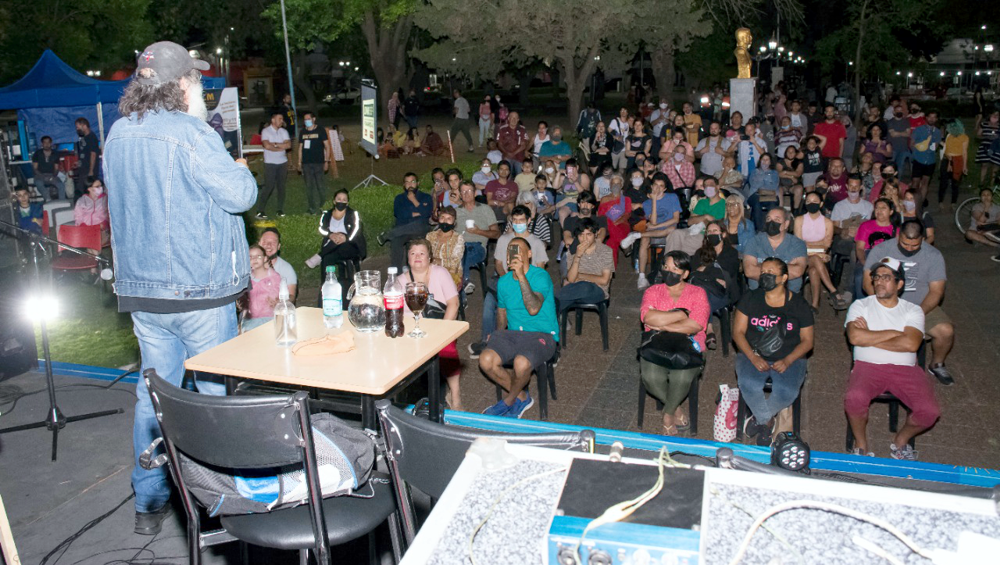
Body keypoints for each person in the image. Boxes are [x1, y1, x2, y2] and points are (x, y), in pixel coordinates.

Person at [104, 41, 257, 535]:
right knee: (212, 398)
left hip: (144, 297)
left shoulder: (118, 134)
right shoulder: (193, 133)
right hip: (199, 292)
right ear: (183, 84)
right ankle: (223, 503)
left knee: (154, 397)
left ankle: (148, 503)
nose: (202, 89)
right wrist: (240, 169)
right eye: (197, 81)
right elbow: (239, 196)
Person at [845, 257, 939, 460]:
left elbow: (911, 344)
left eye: (886, 277)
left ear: (900, 284)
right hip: (868, 366)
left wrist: (870, 336)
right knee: (854, 399)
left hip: (905, 369)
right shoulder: (860, 306)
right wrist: (896, 333)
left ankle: (901, 441)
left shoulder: (913, 310)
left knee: (929, 411)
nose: (879, 281)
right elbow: (855, 337)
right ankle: (860, 444)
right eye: (877, 277)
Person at [733, 257, 814, 446]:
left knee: (786, 391)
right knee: (749, 383)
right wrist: (753, 357)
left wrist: (788, 359)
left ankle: (758, 419)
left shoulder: (799, 305)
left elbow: (808, 341)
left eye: (771, 273)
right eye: (763, 273)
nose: (764, 276)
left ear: (784, 278)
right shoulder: (751, 298)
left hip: (789, 356)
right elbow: (737, 333)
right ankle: (767, 422)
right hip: (753, 353)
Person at [863, 220, 954, 385]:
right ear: (899, 235)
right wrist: (882, 306)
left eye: (915, 245)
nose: (909, 249)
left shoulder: (933, 255)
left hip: (920, 305)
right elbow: (867, 282)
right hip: (886, 304)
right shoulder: (882, 250)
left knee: (946, 331)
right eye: (905, 244)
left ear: (923, 239)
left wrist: (917, 313)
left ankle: (937, 364)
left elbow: (936, 291)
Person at [479, 237, 559, 418]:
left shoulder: (540, 276)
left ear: (529, 254)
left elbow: (533, 308)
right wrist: (497, 335)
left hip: (543, 335)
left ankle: (508, 401)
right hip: (514, 334)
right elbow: (501, 313)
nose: (512, 254)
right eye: (510, 251)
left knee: (520, 363)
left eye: (518, 250)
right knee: (485, 360)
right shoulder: (504, 281)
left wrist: (522, 276)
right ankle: (522, 397)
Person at [639, 251, 710, 434]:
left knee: (682, 377)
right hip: (657, 345)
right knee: (651, 378)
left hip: (690, 346)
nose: (668, 272)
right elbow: (647, 317)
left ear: (685, 274)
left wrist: (662, 324)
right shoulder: (653, 291)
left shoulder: (698, 293)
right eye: (666, 267)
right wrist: (680, 315)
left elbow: (695, 325)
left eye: (675, 269)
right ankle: (676, 408)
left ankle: (668, 413)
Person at [399, 239, 464, 410]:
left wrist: (442, 332)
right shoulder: (399, 281)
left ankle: (455, 395)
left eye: (422, 253)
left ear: (430, 258)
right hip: (412, 329)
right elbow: (396, 312)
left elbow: (453, 304)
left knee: (447, 349)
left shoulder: (440, 273)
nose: (417, 256)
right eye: (413, 253)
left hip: (441, 324)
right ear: (408, 258)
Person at [623, 174, 682, 290]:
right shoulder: (647, 203)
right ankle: (641, 276)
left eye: (661, 186)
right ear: (651, 186)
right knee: (644, 241)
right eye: (655, 185)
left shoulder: (672, 197)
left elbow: (676, 219)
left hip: (669, 229)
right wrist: (654, 200)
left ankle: (637, 235)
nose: (658, 188)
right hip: (653, 230)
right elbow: (653, 222)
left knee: (672, 229)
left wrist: (658, 225)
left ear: (665, 188)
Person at [689, 220, 740, 348]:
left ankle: (705, 330)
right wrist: (715, 273)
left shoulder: (731, 253)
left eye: (715, 231)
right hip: (704, 291)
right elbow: (694, 274)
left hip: (723, 294)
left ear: (723, 234)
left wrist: (706, 269)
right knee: (702, 292)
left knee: (701, 293)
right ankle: (709, 329)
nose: (711, 234)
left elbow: (727, 276)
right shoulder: (700, 253)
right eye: (709, 231)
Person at [795, 192, 848, 310]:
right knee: (816, 258)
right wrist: (818, 248)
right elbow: (799, 244)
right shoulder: (799, 220)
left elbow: (827, 245)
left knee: (814, 270)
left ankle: (814, 305)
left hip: (818, 260)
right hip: (802, 258)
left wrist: (808, 245)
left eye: (814, 201)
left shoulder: (827, 222)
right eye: (808, 201)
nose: (811, 204)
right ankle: (833, 291)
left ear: (821, 203)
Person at [308, 189, 366, 287]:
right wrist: (330, 235)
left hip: (350, 246)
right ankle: (325, 287)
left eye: (344, 200)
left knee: (340, 238)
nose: (341, 202)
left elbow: (357, 230)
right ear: (334, 201)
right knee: (327, 259)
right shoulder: (326, 214)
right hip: (332, 248)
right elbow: (321, 229)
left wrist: (345, 238)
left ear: (347, 203)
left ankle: (320, 255)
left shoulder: (352, 214)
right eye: (339, 199)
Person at [742, 208, 807, 293]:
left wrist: (761, 267)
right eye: (768, 219)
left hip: (789, 295)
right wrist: (785, 269)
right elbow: (749, 271)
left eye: (777, 219)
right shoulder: (754, 242)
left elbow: (797, 271)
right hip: (758, 294)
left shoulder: (797, 244)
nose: (771, 223)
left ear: (786, 224)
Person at [559, 217, 614, 314]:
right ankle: (551, 323)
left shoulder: (606, 251)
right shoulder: (573, 250)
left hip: (598, 292)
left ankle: (550, 305)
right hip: (576, 290)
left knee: (584, 286)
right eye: (581, 235)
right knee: (566, 296)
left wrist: (580, 276)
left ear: (596, 234)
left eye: (588, 234)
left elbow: (604, 280)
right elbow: (572, 279)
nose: (584, 239)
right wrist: (577, 256)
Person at [379, 172, 433, 270]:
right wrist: (418, 212)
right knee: (396, 240)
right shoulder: (399, 198)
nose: (410, 184)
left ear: (418, 183)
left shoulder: (426, 197)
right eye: (407, 182)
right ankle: (396, 273)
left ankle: (389, 234)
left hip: (420, 230)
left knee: (419, 224)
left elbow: (427, 213)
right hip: (403, 229)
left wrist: (413, 200)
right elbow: (399, 214)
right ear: (404, 185)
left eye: (412, 181)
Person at [455, 181, 501, 294]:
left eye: (469, 191)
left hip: (478, 247)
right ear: (460, 194)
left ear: (475, 193)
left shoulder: (485, 209)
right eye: (463, 191)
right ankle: (461, 297)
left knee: (460, 256)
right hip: (458, 247)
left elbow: (496, 234)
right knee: (457, 254)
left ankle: (464, 282)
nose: (466, 194)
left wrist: (478, 231)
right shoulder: (455, 212)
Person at [256, 111, 291, 219]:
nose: (282, 121)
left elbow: (288, 145)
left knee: (281, 187)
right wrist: (281, 147)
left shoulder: (283, 131)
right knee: (269, 186)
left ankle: (280, 210)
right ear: (273, 120)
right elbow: (267, 146)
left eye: (282, 119)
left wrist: (274, 144)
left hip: (282, 163)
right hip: (270, 163)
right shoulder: (266, 131)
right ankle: (260, 210)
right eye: (280, 119)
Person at [297, 112, 331, 215]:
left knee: (320, 186)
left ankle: (323, 207)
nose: (306, 121)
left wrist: (326, 161)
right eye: (305, 119)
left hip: (319, 163)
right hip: (306, 164)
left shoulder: (320, 130)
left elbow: (327, 146)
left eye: (308, 118)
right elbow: (300, 148)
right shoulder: (303, 132)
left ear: (314, 119)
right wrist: (299, 162)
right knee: (309, 186)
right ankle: (311, 208)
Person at [242, 244, 282, 332]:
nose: (254, 259)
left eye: (258, 256)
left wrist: (277, 300)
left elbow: (279, 295)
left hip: (269, 318)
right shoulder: (245, 279)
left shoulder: (274, 277)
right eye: (250, 257)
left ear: (265, 259)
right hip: (250, 320)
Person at [425, 206, 465, 287]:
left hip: (451, 273)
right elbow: (425, 255)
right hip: (430, 270)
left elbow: (455, 263)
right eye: (442, 217)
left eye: (449, 219)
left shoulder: (458, 238)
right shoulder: (430, 236)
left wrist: (437, 261)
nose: (445, 221)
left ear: (454, 222)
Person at [598, 174, 632, 267]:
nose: (615, 185)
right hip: (608, 226)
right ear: (610, 185)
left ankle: (610, 270)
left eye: (618, 183)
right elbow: (600, 215)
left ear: (621, 185)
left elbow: (627, 214)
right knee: (610, 243)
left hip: (622, 225)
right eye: (613, 183)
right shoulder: (604, 199)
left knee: (611, 242)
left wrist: (617, 221)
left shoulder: (626, 199)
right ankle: (624, 244)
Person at [909, 111, 941, 206]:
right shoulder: (918, 130)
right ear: (926, 118)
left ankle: (920, 202)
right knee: (915, 182)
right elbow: (911, 143)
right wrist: (916, 152)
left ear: (936, 119)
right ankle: (912, 201)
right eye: (930, 117)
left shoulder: (938, 132)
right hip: (919, 159)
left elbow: (936, 146)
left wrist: (932, 145)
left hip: (930, 160)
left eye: (934, 117)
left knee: (925, 182)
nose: (931, 119)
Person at [259, 227, 298, 301]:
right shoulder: (249, 266)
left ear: (278, 246)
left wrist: (279, 303)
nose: (268, 245)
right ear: (259, 244)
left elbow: (291, 295)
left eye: (273, 242)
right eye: (264, 242)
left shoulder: (286, 268)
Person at [938, 119, 969, 212]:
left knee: (955, 183)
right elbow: (946, 149)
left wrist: (964, 166)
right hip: (947, 160)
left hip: (957, 161)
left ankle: (953, 203)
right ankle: (940, 201)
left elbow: (964, 152)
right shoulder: (949, 136)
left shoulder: (964, 137)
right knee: (943, 182)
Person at [744, 153, 779, 228]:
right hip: (755, 195)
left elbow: (773, 186)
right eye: (763, 160)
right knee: (757, 203)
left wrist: (762, 179)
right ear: (760, 161)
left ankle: (771, 227)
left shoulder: (774, 173)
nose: (765, 162)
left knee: (772, 205)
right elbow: (754, 184)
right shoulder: (754, 172)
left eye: (767, 160)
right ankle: (759, 229)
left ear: (770, 162)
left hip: (770, 195)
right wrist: (767, 180)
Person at [73, 176, 111, 247]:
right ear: (89, 189)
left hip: (100, 230)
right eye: (97, 186)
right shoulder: (82, 201)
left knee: (94, 246)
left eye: (101, 186)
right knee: (90, 245)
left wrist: (104, 224)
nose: (100, 188)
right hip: (85, 230)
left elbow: (109, 215)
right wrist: (83, 227)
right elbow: (78, 217)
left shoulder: (105, 200)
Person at [964, 187, 1000, 257]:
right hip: (977, 231)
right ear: (980, 198)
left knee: (989, 233)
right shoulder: (976, 207)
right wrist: (986, 208)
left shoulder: (997, 208)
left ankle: (984, 240)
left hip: (991, 231)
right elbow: (980, 220)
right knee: (968, 233)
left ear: (992, 197)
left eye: (988, 195)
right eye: (984, 195)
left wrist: (987, 225)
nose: (986, 197)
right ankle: (994, 244)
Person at [32, 135, 67, 200]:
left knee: (61, 185)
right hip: (39, 176)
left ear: (51, 143)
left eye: (48, 142)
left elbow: (56, 169)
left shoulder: (55, 153)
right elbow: (35, 169)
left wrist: (52, 176)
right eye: (45, 142)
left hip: (52, 175)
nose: (46, 144)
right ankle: (48, 200)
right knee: (39, 184)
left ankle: (62, 202)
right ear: (42, 144)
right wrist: (43, 176)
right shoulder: (37, 153)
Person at [74, 117, 101, 199]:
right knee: (81, 190)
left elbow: (93, 154)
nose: (77, 129)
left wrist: (91, 170)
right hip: (83, 169)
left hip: (88, 170)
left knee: (85, 191)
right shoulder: (83, 138)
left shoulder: (91, 137)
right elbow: (84, 154)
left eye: (78, 127)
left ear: (84, 126)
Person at [975, 110, 999, 188]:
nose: (995, 117)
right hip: (985, 147)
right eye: (993, 115)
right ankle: (981, 182)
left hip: (997, 148)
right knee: (984, 164)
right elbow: (978, 135)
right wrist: (985, 137)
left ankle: (992, 184)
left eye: (997, 115)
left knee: (995, 166)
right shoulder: (984, 124)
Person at [777, 145, 804, 211]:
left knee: (799, 189)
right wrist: (791, 177)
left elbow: (797, 174)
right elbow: (779, 174)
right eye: (789, 152)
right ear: (786, 153)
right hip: (782, 185)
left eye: (792, 152)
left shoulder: (799, 163)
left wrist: (785, 172)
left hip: (794, 185)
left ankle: (795, 211)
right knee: (778, 190)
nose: (791, 153)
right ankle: (780, 210)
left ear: (795, 153)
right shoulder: (780, 162)